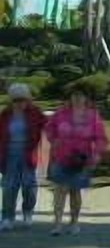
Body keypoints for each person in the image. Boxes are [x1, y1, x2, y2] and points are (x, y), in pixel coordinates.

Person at [45, 88, 108, 236]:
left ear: (86, 98)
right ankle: (57, 224)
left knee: (75, 191)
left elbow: (101, 138)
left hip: (81, 160)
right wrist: (53, 140)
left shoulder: (92, 116)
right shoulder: (60, 114)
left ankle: (74, 223)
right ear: (70, 97)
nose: (77, 98)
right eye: (74, 95)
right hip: (61, 157)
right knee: (59, 190)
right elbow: (49, 128)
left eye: (80, 95)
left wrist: (97, 154)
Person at [0, 83, 46, 231]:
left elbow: (50, 126)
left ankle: (28, 212)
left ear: (27, 99)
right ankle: (7, 217)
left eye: (22, 100)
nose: (19, 103)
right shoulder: (5, 114)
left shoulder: (35, 113)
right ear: (11, 100)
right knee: (9, 187)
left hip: (28, 154)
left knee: (29, 185)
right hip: (9, 155)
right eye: (16, 100)